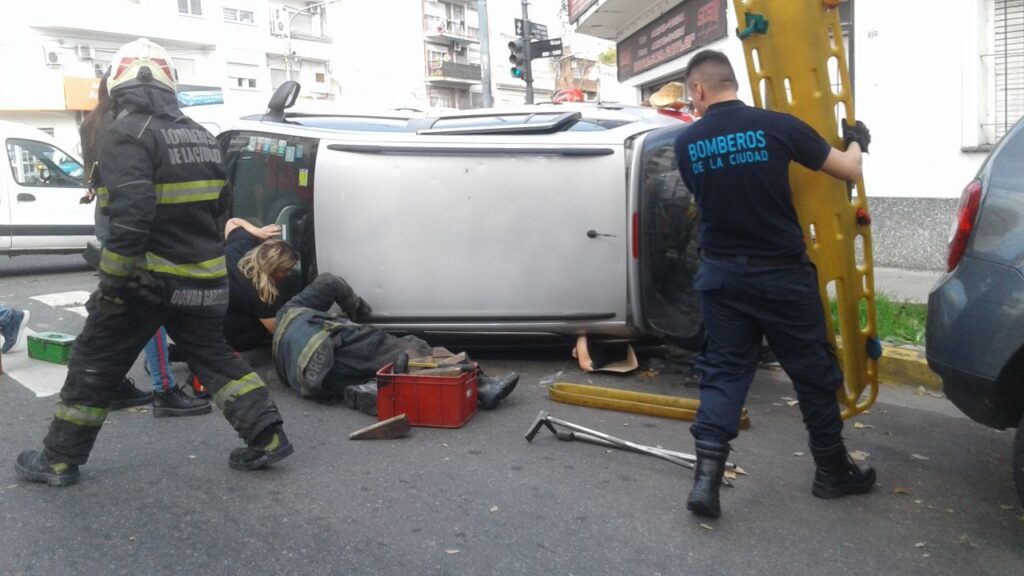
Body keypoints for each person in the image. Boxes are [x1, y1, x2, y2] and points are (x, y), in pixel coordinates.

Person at [15, 38, 291, 488]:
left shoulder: (125, 134)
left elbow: (131, 218)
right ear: (170, 85)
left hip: (146, 282)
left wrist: (112, 286)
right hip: (202, 278)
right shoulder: (203, 136)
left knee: (94, 361)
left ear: (117, 86)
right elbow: (219, 208)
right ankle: (268, 436)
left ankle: (59, 460)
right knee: (216, 358)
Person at [672, 50, 875, 518]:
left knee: (724, 373)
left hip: (722, 276)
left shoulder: (687, 142)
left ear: (699, 89)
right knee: (812, 374)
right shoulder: (777, 126)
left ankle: (706, 483)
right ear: (731, 83)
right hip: (782, 276)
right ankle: (832, 472)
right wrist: (856, 142)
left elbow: (703, 196)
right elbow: (847, 169)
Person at [220, 220, 519, 410]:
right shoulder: (276, 302)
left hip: (294, 373)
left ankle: (365, 387)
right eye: (284, 272)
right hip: (315, 344)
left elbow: (231, 222)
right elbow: (329, 283)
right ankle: (482, 385)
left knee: (367, 365)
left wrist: (256, 232)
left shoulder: (239, 248)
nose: (287, 277)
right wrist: (357, 312)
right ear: (272, 266)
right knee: (409, 347)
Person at [80, 71, 210, 417]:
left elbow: (93, 177)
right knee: (149, 304)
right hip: (134, 220)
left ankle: (113, 383)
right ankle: (163, 388)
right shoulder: (129, 125)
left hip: (108, 218)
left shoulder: (92, 123)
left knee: (122, 304)